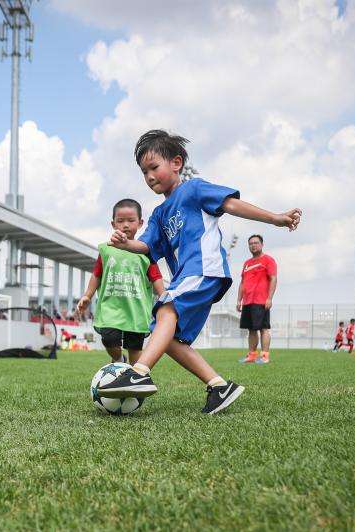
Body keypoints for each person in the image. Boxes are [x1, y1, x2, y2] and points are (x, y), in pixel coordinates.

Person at [96, 130, 301, 414]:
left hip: (204, 269)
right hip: (188, 278)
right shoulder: (157, 215)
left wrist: (275, 218)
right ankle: (219, 387)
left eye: (154, 167)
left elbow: (231, 205)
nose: (150, 176)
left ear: (176, 163)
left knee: (165, 308)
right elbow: (146, 246)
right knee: (168, 338)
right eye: (144, 172)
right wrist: (127, 243)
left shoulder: (193, 190)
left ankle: (139, 371)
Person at [77, 198, 165, 364]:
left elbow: (155, 276)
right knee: (109, 339)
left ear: (140, 223)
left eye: (131, 221)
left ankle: (133, 374)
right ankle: (118, 359)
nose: (125, 225)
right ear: (113, 224)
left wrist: (163, 296)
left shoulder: (144, 251)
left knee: (135, 348)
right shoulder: (106, 250)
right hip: (111, 308)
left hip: (136, 310)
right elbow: (97, 273)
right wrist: (87, 295)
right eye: (120, 221)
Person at [236, 234, 277, 364]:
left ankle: (264, 356)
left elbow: (273, 279)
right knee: (251, 329)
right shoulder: (247, 264)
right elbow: (242, 283)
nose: (253, 245)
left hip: (261, 301)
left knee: (263, 328)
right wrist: (239, 300)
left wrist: (269, 298)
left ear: (262, 244)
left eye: (256, 243)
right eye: (251, 243)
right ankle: (252, 356)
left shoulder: (268, 260)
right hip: (248, 302)